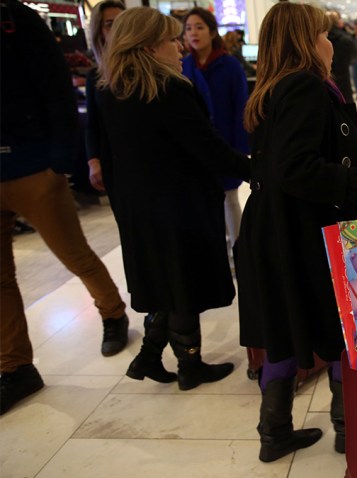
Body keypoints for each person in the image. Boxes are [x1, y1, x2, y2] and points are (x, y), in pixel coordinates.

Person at [236, 2, 357, 463]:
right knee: (342, 327)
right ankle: (347, 428)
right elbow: (298, 169)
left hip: (276, 231)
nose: (330, 44)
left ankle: (274, 432)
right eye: (323, 35)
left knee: (282, 329)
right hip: (304, 234)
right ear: (304, 42)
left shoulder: (271, 89)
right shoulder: (305, 87)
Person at [96, 7, 249, 388]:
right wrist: (258, 169)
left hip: (139, 205)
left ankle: (150, 356)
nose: (179, 46)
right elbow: (208, 147)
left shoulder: (113, 89)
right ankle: (190, 366)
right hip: (180, 204)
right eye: (170, 39)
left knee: (165, 280)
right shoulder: (171, 90)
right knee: (183, 284)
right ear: (149, 47)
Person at [0, 0, 130, 415]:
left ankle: (112, 313)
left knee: (73, 253)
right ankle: (15, 365)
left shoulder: (16, 19)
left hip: (33, 165)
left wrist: (58, 160)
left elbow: (55, 88)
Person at [181, 7, 249, 268]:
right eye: (188, 28)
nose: (193, 33)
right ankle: (216, 256)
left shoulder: (229, 64)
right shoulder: (184, 65)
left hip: (226, 142)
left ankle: (241, 253)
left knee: (229, 197)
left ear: (211, 31)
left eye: (199, 27)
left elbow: (240, 106)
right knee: (204, 201)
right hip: (196, 146)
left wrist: (240, 147)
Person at [85, 0, 125, 194]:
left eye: (122, 22)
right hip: (115, 160)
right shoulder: (95, 76)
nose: (117, 29)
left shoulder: (147, 69)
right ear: (99, 30)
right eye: (110, 24)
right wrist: (93, 160)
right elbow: (92, 123)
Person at [327, 11, 355, 103]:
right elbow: (353, 57)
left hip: (327, 79)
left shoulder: (322, 38)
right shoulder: (346, 38)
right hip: (344, 77)